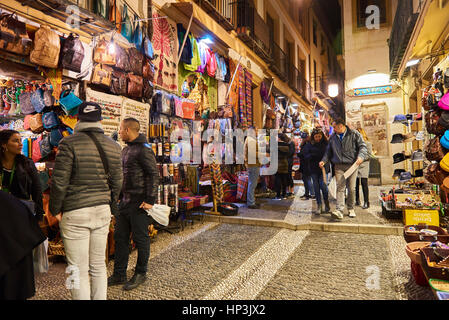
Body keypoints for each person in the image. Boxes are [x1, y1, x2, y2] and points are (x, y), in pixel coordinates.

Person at [50, 102, 123, 300]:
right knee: (98, 265)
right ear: (100, 120)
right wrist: (111, 206)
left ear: (78, 119)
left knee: (76, 268)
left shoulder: (69, 143)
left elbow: (59, 181)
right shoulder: (114, 146)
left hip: (75, 212)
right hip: (102, 211)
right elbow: (117, 183)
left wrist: (55, 209)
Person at [108, 118, 160, 291]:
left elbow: (153, 174)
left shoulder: (144, 150)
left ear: (128, 130)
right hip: (125, 202)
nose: (119, 132)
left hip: (139, 203)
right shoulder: (126, 150)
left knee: (141, 238)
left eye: (121, 129)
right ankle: (119, 274)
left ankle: (141, 273)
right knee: (120, 238)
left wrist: (150, 200)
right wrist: (119, 196)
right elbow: (124, 175)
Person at [0, 130, 45, 300]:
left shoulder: (26, 164)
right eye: (15, 141)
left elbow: (37, 191)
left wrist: (39, 217)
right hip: (2, 220)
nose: (20, 144)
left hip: (21, 217)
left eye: (20, 140)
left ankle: (20, 292)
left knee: (20, 255)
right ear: (4, 145)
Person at [319, 119, 367, 220]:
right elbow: (328, 152)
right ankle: (339, 210)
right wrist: (324, 160)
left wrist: (361, 156)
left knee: (352, 188)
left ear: (341, 126)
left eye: (335, 127)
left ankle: (351, 208)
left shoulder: (354, 134)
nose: (333, 129)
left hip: (352, 166)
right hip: (338, 166)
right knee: (340, 187)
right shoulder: (333, 137)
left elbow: (363, 146)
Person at [307, 128, 331, 214]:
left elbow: (328, 155)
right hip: (313, 168)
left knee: (323, 186)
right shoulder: (309, 144)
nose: (318, 138)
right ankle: (319, 205)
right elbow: (306, 154)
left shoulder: (326, 144)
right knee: (316, 187)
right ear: (313, 137)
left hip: (323, 169)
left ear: (322, 136)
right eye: (316, 137)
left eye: (319, 136)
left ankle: (326, 202)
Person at [355, 128, 373, 209]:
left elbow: (369, 155)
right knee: (355, 184)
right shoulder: (354, 144)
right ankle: (357, 200)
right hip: (355, 165)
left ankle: (366, 201)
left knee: (364, 183)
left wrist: (360, 159)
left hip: (364, 165)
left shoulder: (367, 143)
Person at [245, 129, 261, 209]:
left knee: (252, 183)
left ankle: (251, 201)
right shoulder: (251, 140)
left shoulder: (249, 139)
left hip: (252, 164)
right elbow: (253, 153)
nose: (257, 132)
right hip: (253, 164)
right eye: (256, 131)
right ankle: (251, 202)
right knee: (252, 184)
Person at [273, 133, 291, 200]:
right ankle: (284, 195)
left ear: (279, 138)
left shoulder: (275, 145)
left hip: (277, 163)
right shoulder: (287, 145)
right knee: (284, 180)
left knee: (278, 179)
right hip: (285, 163)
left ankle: (278, 195)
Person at [298, 134, 314, 200]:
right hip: (305, 165)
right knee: (306, 179)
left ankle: (312, 194)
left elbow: (305, 155)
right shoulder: (307, 144)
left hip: (306, 165)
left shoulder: (307, 145)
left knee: (307, 180)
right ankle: (307, 193)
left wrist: (300, 155)